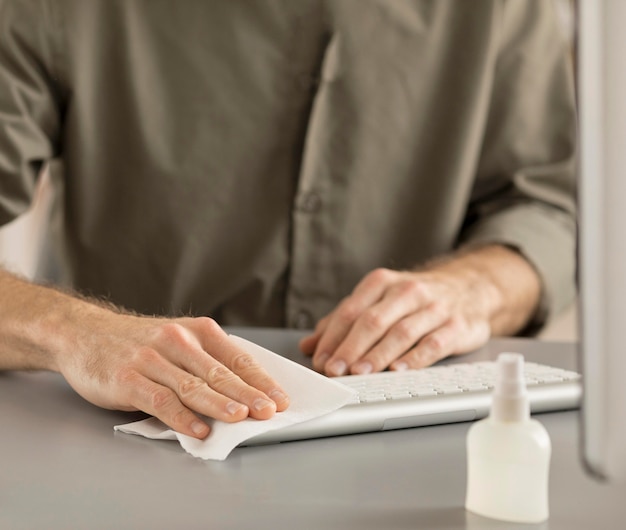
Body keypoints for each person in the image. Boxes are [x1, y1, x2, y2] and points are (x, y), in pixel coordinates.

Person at [0, 0, 577, 439]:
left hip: (424, 436)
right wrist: (70, 333)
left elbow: (550, 209)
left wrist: (474, 289)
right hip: (120, 440)